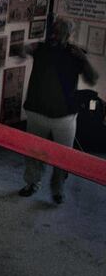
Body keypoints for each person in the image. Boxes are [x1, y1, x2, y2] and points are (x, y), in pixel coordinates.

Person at [18, 17, 98, 204]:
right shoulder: (42, 48)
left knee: (63, 157)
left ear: (68, 35)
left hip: (64, 116)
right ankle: (33, 184)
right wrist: (27, 47)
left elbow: (92, 78)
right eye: (55, 31)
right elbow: (21, 52)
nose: (57, 35)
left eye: (61, 32)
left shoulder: (74, 54)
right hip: (38, 112)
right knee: (33, 152)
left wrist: (83, 58)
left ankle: (57, 190)